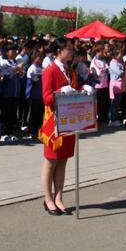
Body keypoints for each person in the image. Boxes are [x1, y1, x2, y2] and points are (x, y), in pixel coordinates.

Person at [38, 38, 83, 216]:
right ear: (59, 51)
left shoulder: (71, 71)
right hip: (54, 122)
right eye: (69, 49)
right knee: (50, 161)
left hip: (69, 121)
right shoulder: (49, 71)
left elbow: (74, 93)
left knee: (63, 161)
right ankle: (47, 198)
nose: (72, 52)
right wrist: (60, 92)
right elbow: (46, 98)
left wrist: (82, 90)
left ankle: (59, 197)